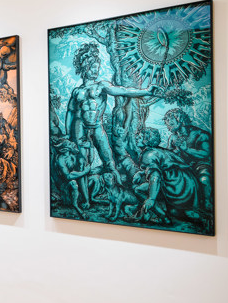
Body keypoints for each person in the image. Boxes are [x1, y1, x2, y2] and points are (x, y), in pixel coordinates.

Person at [66, 42, 159, 201]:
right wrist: (68, 134)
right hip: (79, 128)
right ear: (85, 67)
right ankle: (86, 198)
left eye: (97, 67)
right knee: (82, 162)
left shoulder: (101, 86)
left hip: (97, 126)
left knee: (108, 159)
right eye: (93, 67)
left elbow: (123, 91)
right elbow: (71, 112)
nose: (96, 70)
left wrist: (146, 91)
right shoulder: (77, 91)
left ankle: (120, 190)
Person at [163, 108, 213, 211]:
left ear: (180, 120)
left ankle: (207, 202)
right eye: (167, 125)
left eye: (171, 124)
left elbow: (205, 153)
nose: (168, 127)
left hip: (200, 164)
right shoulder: (173, 138)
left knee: (204, 179)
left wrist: (186, 149)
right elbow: (170, 154)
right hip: (182, 165)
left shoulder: (201, 134)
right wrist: (176, 152)